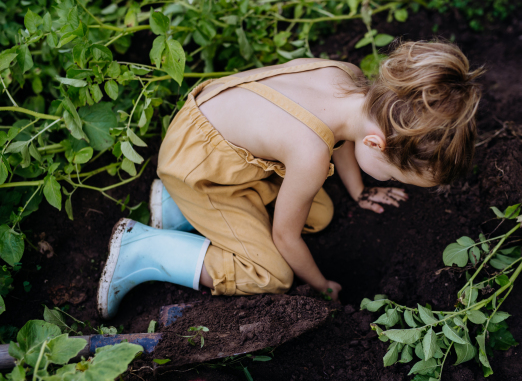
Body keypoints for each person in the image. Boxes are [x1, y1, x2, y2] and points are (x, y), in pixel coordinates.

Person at [97, 40, 484, 319]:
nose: (393, 181)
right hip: (196, 167)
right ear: (376, 143)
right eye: (394, 175)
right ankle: (144, 249)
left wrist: (359, 190)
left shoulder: (346, 78)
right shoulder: (311, 152)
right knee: (272, 274)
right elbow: (286, 236)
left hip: (211, 140)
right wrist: (321, 286)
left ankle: (173, 207)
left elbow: (344, 141)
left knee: (320, 212)